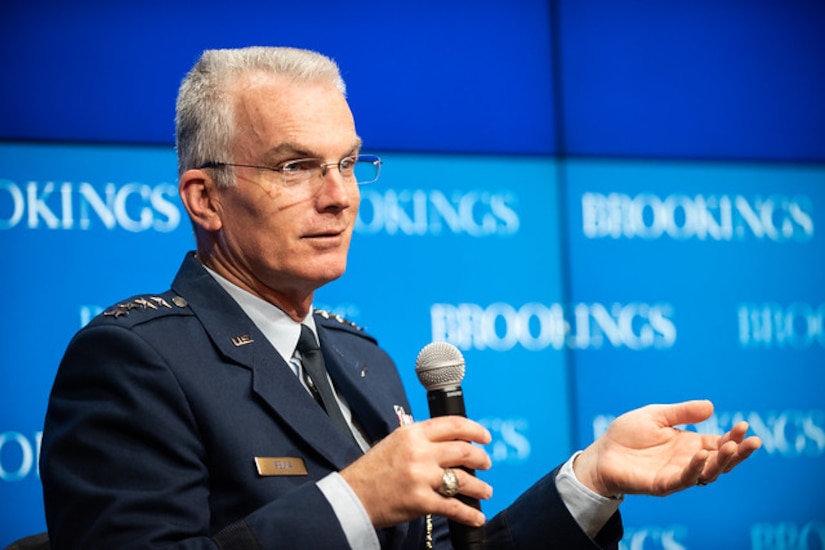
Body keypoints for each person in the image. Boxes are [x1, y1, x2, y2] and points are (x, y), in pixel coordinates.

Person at [40, 46, 762, 549]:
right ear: (206, 198)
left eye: (349, 164)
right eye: (296, 167)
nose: (340, 197)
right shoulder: (136, 362)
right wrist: (353, 501)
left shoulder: (362, 362)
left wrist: (592, 478)